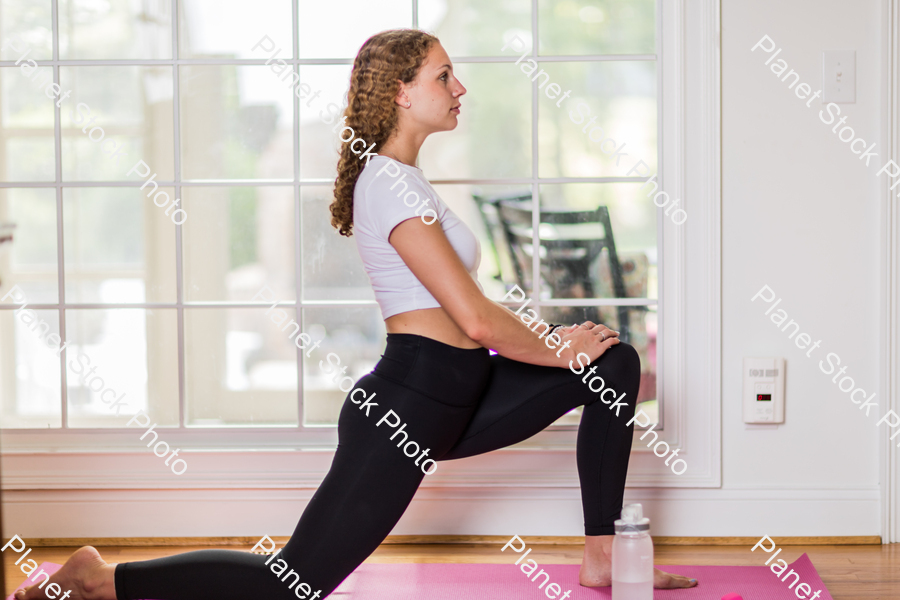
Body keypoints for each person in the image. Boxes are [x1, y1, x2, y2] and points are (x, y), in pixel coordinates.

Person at [17, 28, 697, 600]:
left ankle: (603, 554)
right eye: (444, 76)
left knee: (616, 363)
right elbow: (478, 320)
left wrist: (576, 353)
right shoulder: (389, 184)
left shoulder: (407, 178)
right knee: (297, 582)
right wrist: (561, 349)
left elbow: (477, 324)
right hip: (408, 404)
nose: (460, 89)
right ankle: (103, 578)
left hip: (458, 391)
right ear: (402, 93)